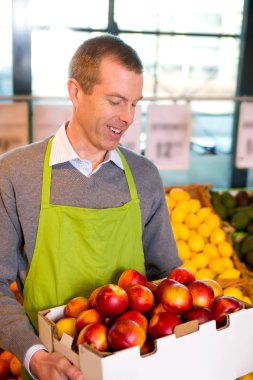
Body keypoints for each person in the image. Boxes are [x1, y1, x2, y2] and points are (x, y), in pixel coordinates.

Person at [0, 34, 181, 379]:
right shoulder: (15, 174)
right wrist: (34, 355)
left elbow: (167, 278)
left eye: (134, 103)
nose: (127, 117)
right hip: (51, 367)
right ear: (75, 91)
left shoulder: (144, 176)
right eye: (115, 101)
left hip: (134, 365)